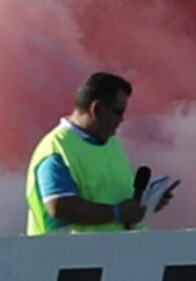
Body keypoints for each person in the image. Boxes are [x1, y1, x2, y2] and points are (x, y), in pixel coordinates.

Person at [26, 72, 174, 234]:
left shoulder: (111, 144)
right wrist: (116, 213)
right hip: (72, 257)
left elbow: (116, 199)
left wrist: (146, 204)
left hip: (116, 254)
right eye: (118, 112)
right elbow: (59, 206)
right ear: (96, 109)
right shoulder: (57, 149)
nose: (122, 119)